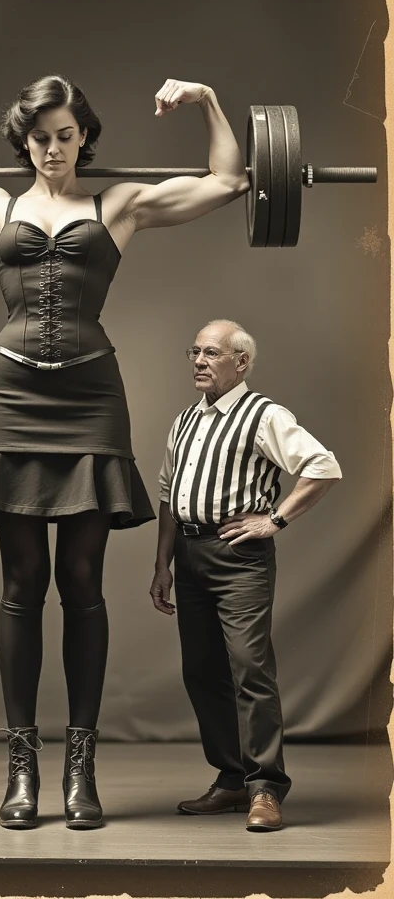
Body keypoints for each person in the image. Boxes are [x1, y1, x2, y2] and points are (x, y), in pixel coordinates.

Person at [0, 74, 249, 830]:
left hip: (90, 399)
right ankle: (21, 770)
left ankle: (80, 771)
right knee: (21, 581)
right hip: (9, 397)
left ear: (84, 138)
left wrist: (207, 101)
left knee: (82, 581)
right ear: (23, 141)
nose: (53, 150)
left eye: (66, 136)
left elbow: (229, 180)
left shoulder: (121, 205)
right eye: (40, 138)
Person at [151, 319, 341, 832]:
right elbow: (169, 495)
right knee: (201, 672)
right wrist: (162, 564)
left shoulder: (264, 415)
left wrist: (274, 520)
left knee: (249, 670)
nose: (198, 361)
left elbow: (323, 466)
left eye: (211, 353)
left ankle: (265, 788)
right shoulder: (185, 420)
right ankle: (232, 779)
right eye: (194, 351)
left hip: (239, 559)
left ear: (242, 363)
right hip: (189, 558)